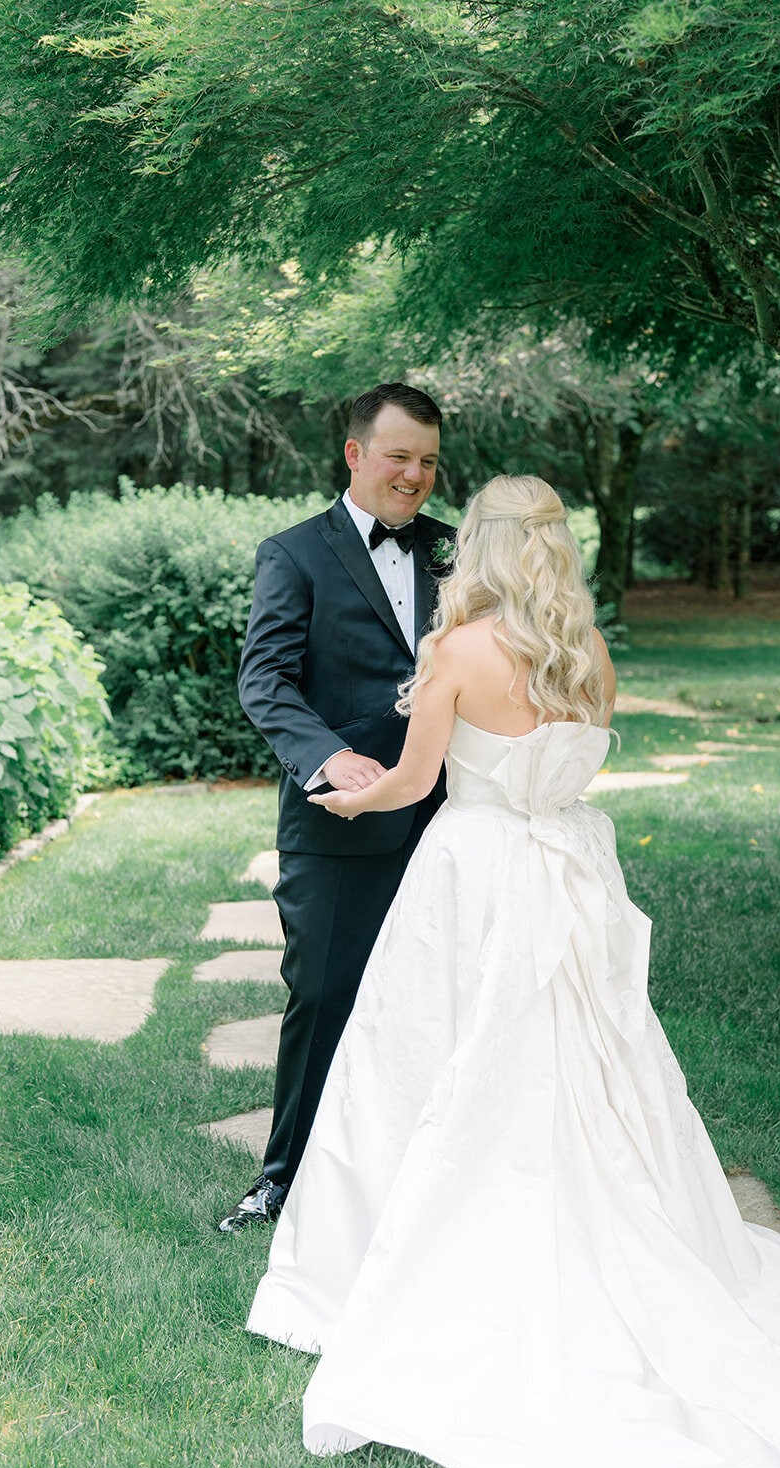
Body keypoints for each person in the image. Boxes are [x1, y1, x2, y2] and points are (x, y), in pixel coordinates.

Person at [246, 474, 780, 1468]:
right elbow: (570, 777)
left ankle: (400, 1257)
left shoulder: (455, 650)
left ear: (479, 546)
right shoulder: (587, 653)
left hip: (475, 877)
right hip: (567, 874)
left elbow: (413, 782)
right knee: (586, 1059)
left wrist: (346, 797)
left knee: (437, 1053)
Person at [218, 383, 454, 1233]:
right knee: (322, 995)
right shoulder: (293, 554)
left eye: (428, 461)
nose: (414, 475)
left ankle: (425, 1181)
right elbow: (264, 680)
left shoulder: (456, 552)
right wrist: (328, 757)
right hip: (337, 820)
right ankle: (282, 1181)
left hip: (452, 818)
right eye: (398, 457)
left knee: (442, 997)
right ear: (354, 454)